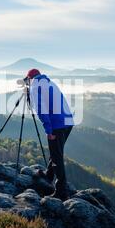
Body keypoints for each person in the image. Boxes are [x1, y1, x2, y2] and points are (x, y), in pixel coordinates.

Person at [26, 68, 74, 200]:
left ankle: (61, 191)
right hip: (68, 122)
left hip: (57, 124)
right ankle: (48, 175)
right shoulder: (50, 82)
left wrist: (49, 130)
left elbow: (41, 110)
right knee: (56, 152)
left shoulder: (35, 86)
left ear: (30, 78)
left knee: (57, 158)